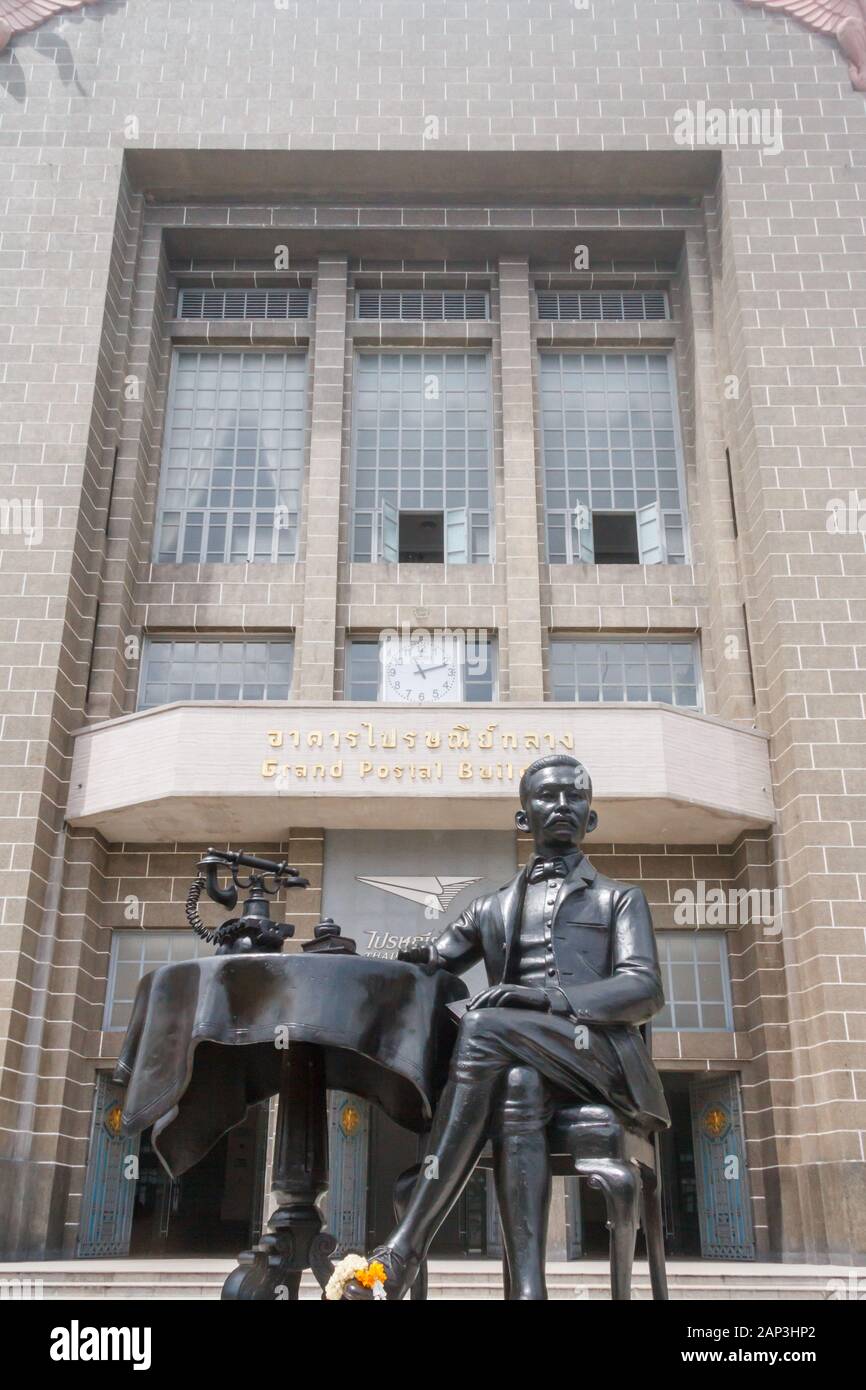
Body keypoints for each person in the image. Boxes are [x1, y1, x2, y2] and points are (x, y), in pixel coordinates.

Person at [344, 752, 670, 1300]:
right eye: (547, 796)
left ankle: (403, 1249)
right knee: (517, 1083)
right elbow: (432, 962)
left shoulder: (621, 900)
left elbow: (645, 990)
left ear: (590, 817)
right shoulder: (490, 908)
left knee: (485, 1026)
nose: (562, 805)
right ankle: (528, 1291)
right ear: (523, 818)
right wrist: (368, 963)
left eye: (574, 796)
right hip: (521, 1070)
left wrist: (547, 999)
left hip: (600, 1062)